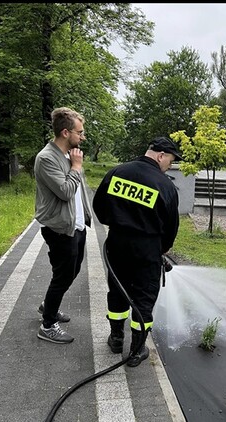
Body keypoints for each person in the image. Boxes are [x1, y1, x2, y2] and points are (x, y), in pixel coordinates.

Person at [92, 137, 181, 367]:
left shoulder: (117, 173)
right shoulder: (165, 185)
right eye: (170, 161)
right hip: (147, 249)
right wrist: (161, 249)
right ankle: (136, 350)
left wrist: (117, 224)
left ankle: (116, 339)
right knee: (143, 298)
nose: (169, 166)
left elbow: (99, 207)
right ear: (160, 155)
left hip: (117, 243)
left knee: (117, 291)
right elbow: (171, 227)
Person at [33, 107, 92, 344]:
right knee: (62, 275)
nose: (83, 137)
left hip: (75, 225)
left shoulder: (69, 154)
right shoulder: (46, 158)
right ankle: (47, 325)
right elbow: (66, 191)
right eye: (80, 132)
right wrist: (76, 167)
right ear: (66, 132)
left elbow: (78, 192)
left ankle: (49, 305)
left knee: (72, 271)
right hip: (59, 228)